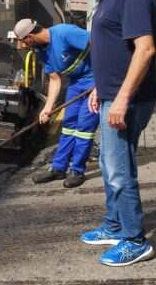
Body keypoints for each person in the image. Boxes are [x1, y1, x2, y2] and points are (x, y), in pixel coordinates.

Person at [83, 0, 156, 267]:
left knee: (120, 168)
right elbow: (114, 47)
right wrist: (99, 89)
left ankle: (135, 239)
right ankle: (115, 225)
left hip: (128, 99)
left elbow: (145, 49)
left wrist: (121, 98)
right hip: (111, 94)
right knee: (109, 165)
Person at [14, 19, 98, 189]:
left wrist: (101, 84)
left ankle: (77, 171)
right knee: (68, 125)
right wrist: (47, 108)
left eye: (23, 42)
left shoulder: (65, 32)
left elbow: (102, 47)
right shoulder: (41, 51)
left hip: (94, 79)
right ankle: (59, 168)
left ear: (30, 36)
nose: (23, 46)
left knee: (84, 128)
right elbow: (54, 79)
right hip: (76, 83)